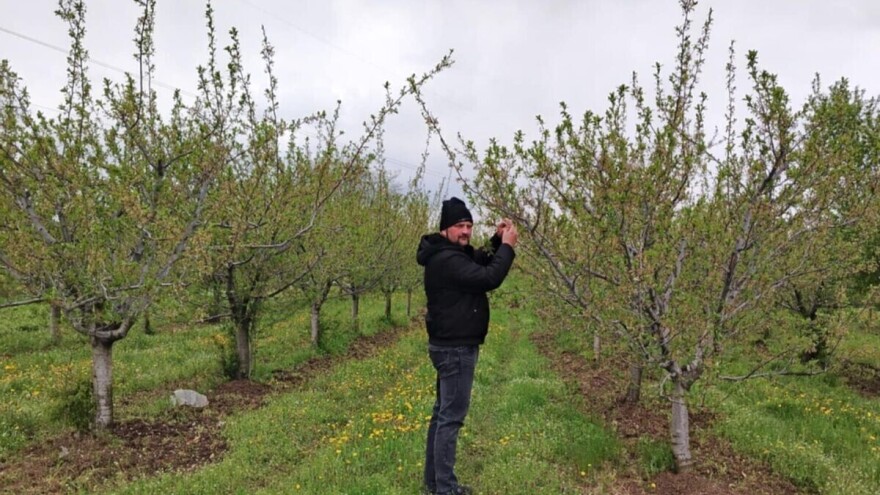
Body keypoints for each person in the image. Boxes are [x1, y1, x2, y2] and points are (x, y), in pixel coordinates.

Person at [416, 197, 518, 495]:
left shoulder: (447, 253)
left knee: (442, 415)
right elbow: (489, 277)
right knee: (450, 418)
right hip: (456, 349)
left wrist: (497, 241)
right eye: (460, 226)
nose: (465, 231)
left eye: (469, 226)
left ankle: (435, 483)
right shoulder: (447, 260)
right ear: (446, 228)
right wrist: (510, 247)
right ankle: (445, 489)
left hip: (447, 345)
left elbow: (479, 260)